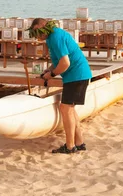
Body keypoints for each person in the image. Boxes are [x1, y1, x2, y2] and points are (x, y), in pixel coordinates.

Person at [31, 18, 92, 154]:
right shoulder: (52, 36)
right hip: (77, 75)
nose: (37, 36)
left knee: (65, 108)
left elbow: (65, 63)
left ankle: (70, 146)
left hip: (77, 75)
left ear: (44, 28)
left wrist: (51, 74)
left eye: (37, 32)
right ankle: (79, 142)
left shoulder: (56, 37)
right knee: (69, 108)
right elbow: (59, 60)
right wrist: (50, 69)